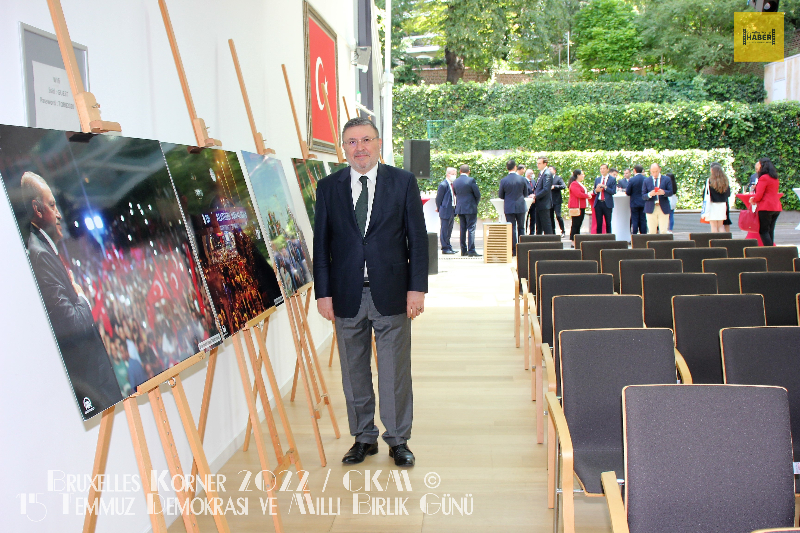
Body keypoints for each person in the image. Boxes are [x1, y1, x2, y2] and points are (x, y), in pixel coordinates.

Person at [313, 116, 428, 467]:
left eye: (366, 140)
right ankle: (363, 437)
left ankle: (397, 440)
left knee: (394, 370)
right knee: (353, 371)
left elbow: (417, 240)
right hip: (346, 293)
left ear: (378, 143)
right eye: (351, 141)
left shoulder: (402, 182)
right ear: (343, 147)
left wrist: (417, 288)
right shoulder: (329, 187)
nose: (359, 147)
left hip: (391, 291)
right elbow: (322, 244)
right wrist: (323, 292)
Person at [20, 171, 123, 416]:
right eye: (52, 205)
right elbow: (73, 323)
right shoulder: (40, 255)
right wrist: (82, 296)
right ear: (37, 208)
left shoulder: (44, 248)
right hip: (93, 384)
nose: (58, 214)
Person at [498, 159, 531, 255]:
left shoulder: (504, 180)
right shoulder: (522, 179)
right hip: (520, 205)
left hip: (509, 206)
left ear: (507, 168)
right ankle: (522, 248)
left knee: (511, 228)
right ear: (515, 167)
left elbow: (501, 195)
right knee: (521, 227)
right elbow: (526, 193)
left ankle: (513, 250)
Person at [749, 157, 782, 247]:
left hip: (766, 207)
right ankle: (772, 250)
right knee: (770, 230)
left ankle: (769, 251)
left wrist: (753, 200)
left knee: (763, 231)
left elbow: (759, 195)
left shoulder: (764, 178)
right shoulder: (774, 178)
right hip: (776, 206)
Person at [453, 164, 482, 257]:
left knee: (462, 229)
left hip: (460, 208)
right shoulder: (471, 180)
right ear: (469, 171)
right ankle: (471, 250)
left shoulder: (455, 181)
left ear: (460, 171)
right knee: (471, 229)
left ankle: (463, 250)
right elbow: (477, 194)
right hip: (470, 207)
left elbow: (455, 193)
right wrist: (475, 203)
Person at [643, 163, 673, 234]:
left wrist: (663, 192)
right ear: (650, 171)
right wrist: (650, 194)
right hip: (650, 207)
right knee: (651, 231)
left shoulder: (666, 179)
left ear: (660, 169)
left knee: (663, 231)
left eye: (656, 171)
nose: (655, 173)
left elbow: (671, 192)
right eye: (653, 172)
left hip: (663, 207)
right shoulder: (646, 181)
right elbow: (643, 195)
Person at [435, 167, 458, 254]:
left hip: (452, 209)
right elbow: (439, 198)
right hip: (445, 209)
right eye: (453, 174)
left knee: (449, 229)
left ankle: (448, 246)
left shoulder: (452, 185)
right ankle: (444, 247)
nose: (454, 176)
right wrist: (439, 207)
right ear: (448, 174)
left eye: (455, 174)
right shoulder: (443, 184)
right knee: (444, 229)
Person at [567, 169, 591, 244]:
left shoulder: (578, 183)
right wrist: (587, 196)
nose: (583, 176)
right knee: (575, 224)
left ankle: (576, 239)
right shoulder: (574, 184)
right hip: (577, 207)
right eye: (582, 174)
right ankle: (573, 241)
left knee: (578, 224)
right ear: (578, 175)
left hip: (581, 206)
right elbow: (578, 194)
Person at [706, 163, 730, 233]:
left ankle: (715, 241)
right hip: (722, 204)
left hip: (712, 204)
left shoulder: (709, 181)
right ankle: (722, 241)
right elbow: (728, 193)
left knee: (713, 225)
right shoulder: (725, 181)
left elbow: (706, 193)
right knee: (720, 225)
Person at [593, 164, 616, 234]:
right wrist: (596, 191)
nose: (602, 170)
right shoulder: (597, 179)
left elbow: (613, 191)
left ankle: (609, 239)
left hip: (607, 203)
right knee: (599, 223)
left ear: (607, 170)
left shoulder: (612, 179)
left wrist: (605, 187)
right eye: (601, 169)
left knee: (608, 223)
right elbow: (594, 191)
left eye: (604, 168)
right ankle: (598, 239)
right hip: (599, 203)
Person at [533, 156, 554, 235]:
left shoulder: (547, 174)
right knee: (539, 225)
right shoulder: (541, 173)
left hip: (544, 203)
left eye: (539, 163)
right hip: (540, 203)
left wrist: (535, 196)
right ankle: (539, 242)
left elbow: (546, 189)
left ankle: (551, 243)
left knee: (546, 225)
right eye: (537, 163)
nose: (538, 165)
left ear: (545, 164)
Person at [626, 164, 647, 235]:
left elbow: (628, 192)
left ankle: (634, 236)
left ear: (634, 170)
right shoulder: (646, 179)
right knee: (643, 220)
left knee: (635, 220)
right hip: (644, 202)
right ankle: (644, 236)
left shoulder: (632, 180)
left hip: (634, 203)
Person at [549, 166, 566, 237]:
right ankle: (553, 232)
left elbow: (563, 186)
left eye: (550, 169)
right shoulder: (547, 179)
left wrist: (555, 187)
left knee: (558, 216)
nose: (549, 171)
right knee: (551, 217)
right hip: (549, 201)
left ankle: (563, 231)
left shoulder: (558, 178)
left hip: (557, 200)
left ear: (554, 171)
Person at [525, 168, 537, 234]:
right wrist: (528, 196)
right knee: (526, 218)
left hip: (533, 203)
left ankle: (532, 232)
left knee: (533, 219)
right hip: (526, 203)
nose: (532, 175)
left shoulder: (533, 181)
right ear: (528, 174)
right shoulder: (523, 181)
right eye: (531, 173)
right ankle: (525, 232)